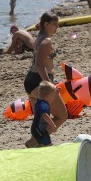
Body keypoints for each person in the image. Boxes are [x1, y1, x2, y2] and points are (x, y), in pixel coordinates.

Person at [24, 12, 67, 147]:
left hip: (32, 81)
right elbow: (39, 65)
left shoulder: (41, 37)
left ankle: (36, 142)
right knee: (61, 116)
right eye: (54, 24)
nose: (57, 27)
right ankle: (35, 141)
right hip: (39, 82)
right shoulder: (46, 41)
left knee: (40, 118)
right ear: (46, 24)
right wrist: (50, 85)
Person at [30, 81, 58, 147]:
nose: (53, 99)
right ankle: (32, 153)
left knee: (44, 144)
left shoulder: (39, 102)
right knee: (47, 145)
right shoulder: (44, 104)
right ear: (47, 95)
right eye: (53, 96)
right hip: (39, 129)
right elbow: (44, 115)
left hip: (37, 129)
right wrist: (53, 125)